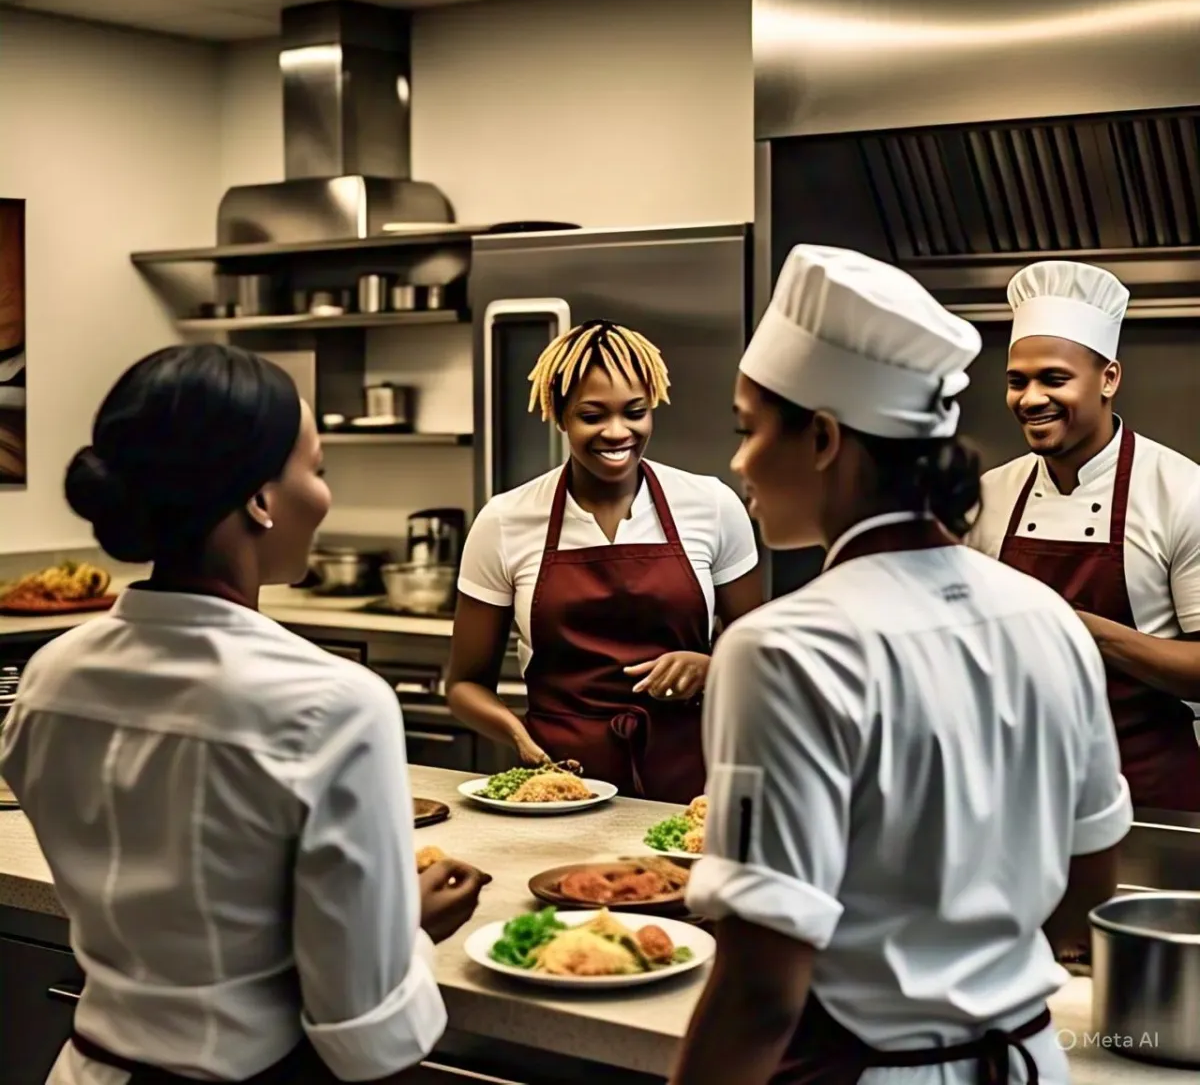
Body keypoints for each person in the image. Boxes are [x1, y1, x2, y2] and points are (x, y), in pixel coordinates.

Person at [671, 246, 1131, 1085]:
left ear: (821, 437)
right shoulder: (1047, 617)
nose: (737, 463)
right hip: (1025, 1062)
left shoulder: (786, 645)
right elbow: (1090, 876)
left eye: (747, 429)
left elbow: (761, 991)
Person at [0, 345, 488, 1085]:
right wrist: (404, 931)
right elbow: (369, 1038)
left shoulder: (48, 677)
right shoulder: (336, 702)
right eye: (317, 469)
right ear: (261, 500)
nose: (324, 496)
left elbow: (179, 906)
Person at [446, 319, 761, 804]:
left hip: (690, 785)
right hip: (560, 784)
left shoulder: (712, 505)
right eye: (592, 415)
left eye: (634, 412)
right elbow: (465, 683)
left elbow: (762, 659)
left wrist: (710, 665)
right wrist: (517, 735)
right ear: (561, 417)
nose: (618, 432)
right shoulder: (506, 520)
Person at [965, 260, 1200, 811]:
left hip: (1147, 794)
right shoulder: (987, 497)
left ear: (1109, 378)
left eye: (1054, 379)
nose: (1030, 399)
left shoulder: (1182, 493)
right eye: (1017, 381)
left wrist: (1080, 630)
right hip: (1018, 791)